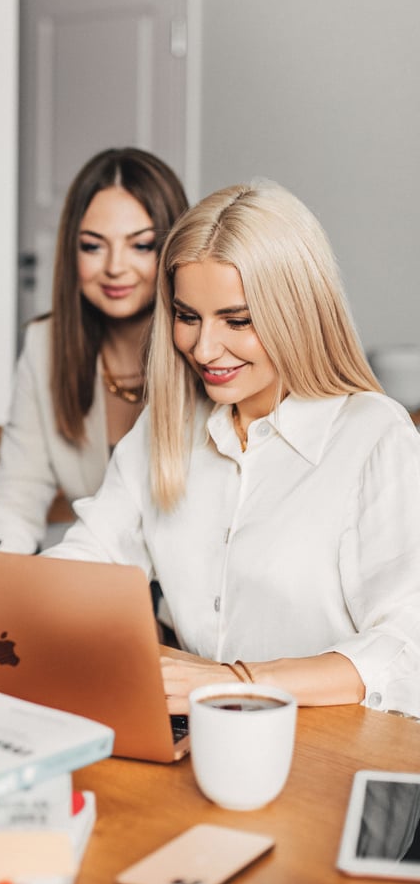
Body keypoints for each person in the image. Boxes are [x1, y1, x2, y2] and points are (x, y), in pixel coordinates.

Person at [46, 181, 420, 719]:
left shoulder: (372, 436)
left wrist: (237, 682)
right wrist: (10, 607)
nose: (204, 348)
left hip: (324, 745)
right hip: (198, 733)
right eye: (187, 316)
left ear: (297, 312)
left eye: (236, 320)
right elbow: (88, 559)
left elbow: (407, 645)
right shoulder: (168, 424)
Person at [0, 146, 188, 554]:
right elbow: (18, 492)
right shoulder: (44, 345)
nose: (115, 267)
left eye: (141, 246)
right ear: (71, 251)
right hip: (94, 576)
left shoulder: (201, 347)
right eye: (93, 246)